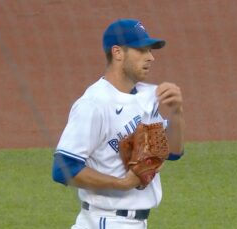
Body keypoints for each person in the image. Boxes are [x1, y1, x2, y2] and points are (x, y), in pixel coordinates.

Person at [52, 18, 185, 229]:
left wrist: (176, 112)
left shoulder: (148, 95)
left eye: (150, 51)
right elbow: (63, 169)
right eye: (141, 50)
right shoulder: (93, 104)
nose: (150, 57)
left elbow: (174, 152)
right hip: (105, 221)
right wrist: (122, 184)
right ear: (118, 53)